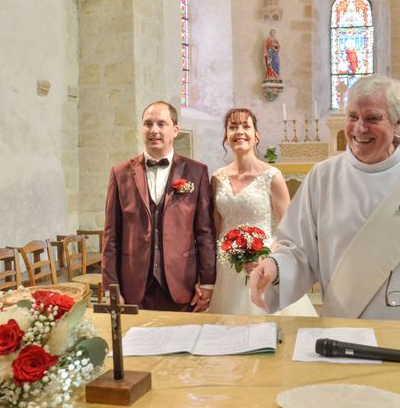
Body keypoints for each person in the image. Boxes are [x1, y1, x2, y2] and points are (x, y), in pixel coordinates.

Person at [249, 75, 400, 328]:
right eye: (352, 117)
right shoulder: (323, 177)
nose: (359, 128)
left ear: (399, 122)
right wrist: (275, 267)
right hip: (343, 329)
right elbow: (298, 250)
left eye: (372, 118)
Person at [102, 101, 216, 312]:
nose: (154, 130)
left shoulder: (196, 172)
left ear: (175, 130)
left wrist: (208, 282)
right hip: (134, 287)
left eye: (161, 124)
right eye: (148, 124)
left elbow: (205, 233)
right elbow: (111, 237)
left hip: (182, 285)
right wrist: (111, 288)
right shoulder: (121, 173)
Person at [209, 108, 318, 317]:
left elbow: (289, 227)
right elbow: (216, 225)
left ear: (256, 136)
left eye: (245, 126)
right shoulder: (217, 178)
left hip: (262, 260)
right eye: (233, 127)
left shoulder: (272, 176)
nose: (239, 131)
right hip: (226, 265)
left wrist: (265, 256)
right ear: (226, 137)